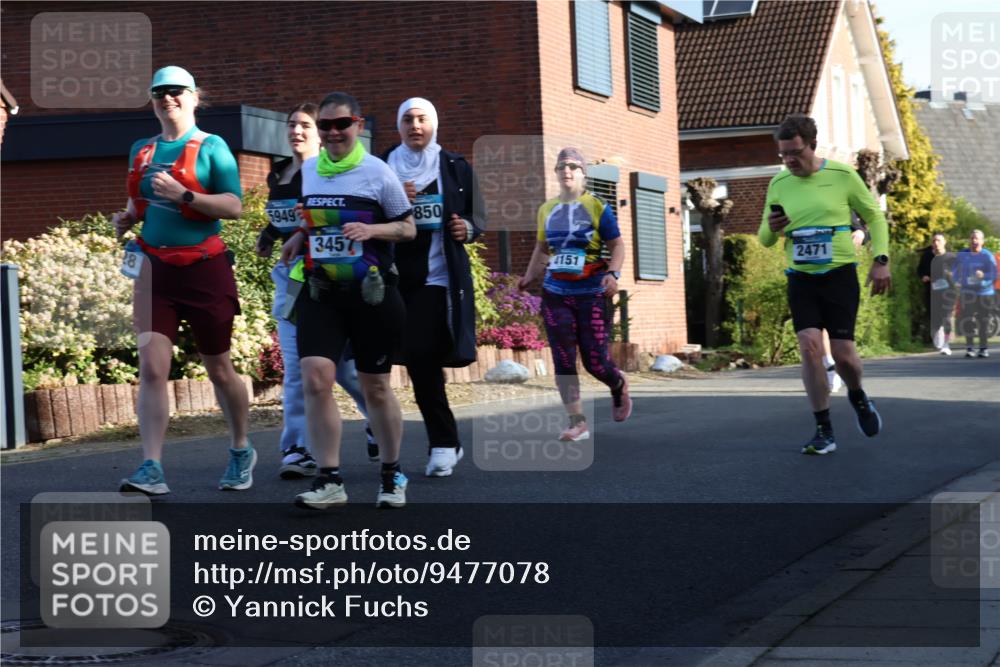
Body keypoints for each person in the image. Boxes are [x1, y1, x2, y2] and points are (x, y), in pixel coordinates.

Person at [114, 66, 252, 494]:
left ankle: (241, 448)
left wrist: (184, 195)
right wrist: (128, 218)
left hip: (204, 270)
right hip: (154, 271)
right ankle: (151, 467)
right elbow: (139, 203)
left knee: (219, 368)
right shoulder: (141, 149)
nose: (167, 98)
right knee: (153, 369)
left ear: (194, 97)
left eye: (175, 91)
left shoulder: (212, 146)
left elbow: (234, 206)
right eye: (159, 92)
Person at [278, 92, 415, 509]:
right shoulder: (312, 170)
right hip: (322, 291)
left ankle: (392, 474)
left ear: (359, 126)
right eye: (327, 126)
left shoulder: (378, 173)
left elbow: (408, 228)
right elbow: (315, 218)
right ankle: (329, 479)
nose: (334, 133)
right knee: (317, 378)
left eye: (343, 124)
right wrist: (301, 235)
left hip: (371, 293)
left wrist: (372, 232)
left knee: (375, 388)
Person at [256, 103, 379, 479]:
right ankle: (296, 448)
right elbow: (284, 220)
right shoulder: (279, 172)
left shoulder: (328, 174)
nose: (296, 131)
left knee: (342, 369)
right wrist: (270, 235)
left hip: (330, 278)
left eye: (305, 125)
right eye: (291, 124)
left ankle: (377, 416)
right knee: (296, 367)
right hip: (291, 280)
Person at [759, 114, 890, 456]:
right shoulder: (779, 184)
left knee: (844, 356)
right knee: (810, 346)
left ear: (812, 146)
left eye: (795, 152)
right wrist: (773, 226)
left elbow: (875, 216)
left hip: (839, 275)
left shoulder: (842, 175)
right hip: (800, 277)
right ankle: (823, 430)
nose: (789, 160)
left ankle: (858, 395)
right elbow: (765, 239)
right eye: (783, 154)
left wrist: (881, 259)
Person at [382, 98, 485, 477]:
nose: (415, 125)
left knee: (422, 356)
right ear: (398, 126)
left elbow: (477, 216)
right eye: (407, 119)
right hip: (387, 274)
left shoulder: (455, 166)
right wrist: (394, 200)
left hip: (435, 277)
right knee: (371, 358)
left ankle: (444, 442)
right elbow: (362, 210)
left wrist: (467, 230)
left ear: (434, 123)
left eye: (422, 118)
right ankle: (376, 423)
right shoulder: (381, 165)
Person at [517, 147, 631, 441]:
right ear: (556, 173)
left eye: (573, 166)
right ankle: (577, 422)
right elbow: (543, 249)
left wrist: (612, 274)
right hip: (556, 292)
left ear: (583, 173)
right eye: (561, 167)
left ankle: (617, 384)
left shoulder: (597, 206)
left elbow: (617, 245)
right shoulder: (546, 209)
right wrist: (529, 277)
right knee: (563, 359)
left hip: (592, 292)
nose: (566, 171)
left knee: (596, 362)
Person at [823, 221, 868, 391]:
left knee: (841, 345)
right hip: (807, 275)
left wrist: (860, 233)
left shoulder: (839, 200)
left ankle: (854, 389)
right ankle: (829, 366)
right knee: (814, 331)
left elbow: (861, 226)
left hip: (838, 276)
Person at [952, 229, 997, 358]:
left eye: (977, 238)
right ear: (969, 241)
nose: (974, 241)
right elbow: (954, 270)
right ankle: (970, 348)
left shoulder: (987, 256)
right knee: (968, 320)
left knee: (983, 321)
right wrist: (956, 281)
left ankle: (983, 349)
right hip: (967, 292)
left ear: (982, 241)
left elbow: (994, 274)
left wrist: (984, 275)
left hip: (985, 293)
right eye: (972, 238)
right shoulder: (962, 255)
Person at [916, 232, 954, 355]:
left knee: (946, 317)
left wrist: (951, 275)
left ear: (944, 242)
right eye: (934, 241)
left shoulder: (951, 258)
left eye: (939, 240)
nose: (936, 243)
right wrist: (924, 276)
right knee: (935, 318)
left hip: (949, 292)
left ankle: (946, 344)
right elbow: (920, 270)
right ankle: (938, 333)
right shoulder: (927, 256)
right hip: (931, 291)